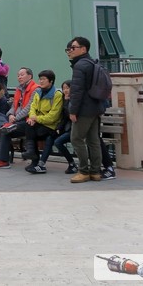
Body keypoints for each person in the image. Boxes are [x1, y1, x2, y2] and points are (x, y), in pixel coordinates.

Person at [67, 36, 105, 183]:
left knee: (76, 139)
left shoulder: (80, 66)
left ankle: (83, 171)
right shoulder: (92, 62)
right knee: (93, 140)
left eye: (73, 47)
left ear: (83, 49)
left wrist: (73, 111)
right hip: (96, 107)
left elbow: (76, 91)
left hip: (84, 109)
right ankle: (95, 172)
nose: (70, 50)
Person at [0, 67, 37, 169]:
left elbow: (29, 107)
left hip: (26, 122)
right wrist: (10, 114)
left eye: (22, 75)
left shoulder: (35, 89)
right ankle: (6, 126)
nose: (19, 77)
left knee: (4, 131)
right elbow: (14, 106)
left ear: (30, 76)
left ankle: (3, 161)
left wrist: (15, 118)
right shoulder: (19, 88)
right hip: (14, 120)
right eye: (18, 75)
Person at [24, 70, 63, 174]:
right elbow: (32, 107)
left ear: (51, 81)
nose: (41, 81)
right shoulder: (38, 92)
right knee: (27, 125)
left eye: (43, 79)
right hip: (38, 123)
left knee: (31, 131)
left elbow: (53, 116)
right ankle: (32, 155)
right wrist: (32, 118)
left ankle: (35, 159)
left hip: (51, 126)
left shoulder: (57, 95)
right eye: (40, 79)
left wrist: (36, 119)